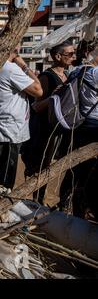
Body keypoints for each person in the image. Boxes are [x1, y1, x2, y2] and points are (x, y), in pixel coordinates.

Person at [21, 40, 75, 204]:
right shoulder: (46, 77)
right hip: (45, 132)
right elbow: (36, 107)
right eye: (70, 54)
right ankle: (37, 201)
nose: (73, 57)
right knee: (42, 168)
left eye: (74, 53)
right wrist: (54, 97)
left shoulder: (67, 76)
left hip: (61, 130)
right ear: (58, 56)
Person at [0, 45, 43, 190]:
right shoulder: (10, 69)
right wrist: (23, 65)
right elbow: (38, 90)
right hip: (7, 129)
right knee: (3, 180)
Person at [58, 47, 98, 218]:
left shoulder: (78, 70)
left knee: (75, 165)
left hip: (79, 122)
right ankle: (82, 207)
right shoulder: (96, 73)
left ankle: (66, 201)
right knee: (89, 169)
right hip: (94, 125)